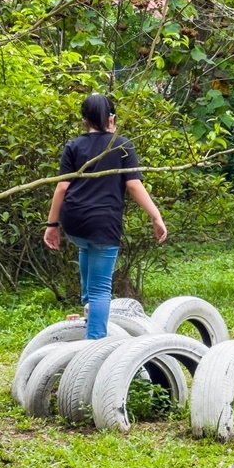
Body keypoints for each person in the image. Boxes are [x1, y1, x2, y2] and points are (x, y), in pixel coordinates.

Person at [44, 94, 167, 339]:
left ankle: (89, 307)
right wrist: (156, 216)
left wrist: (52, 224)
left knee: (86, 248)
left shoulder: (73, 146)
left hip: (74, 222)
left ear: (83, 120)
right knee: (102, 289)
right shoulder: (121, 145)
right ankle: (95, 343)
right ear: (112, 118)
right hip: (103, 223)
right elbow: (134, 186)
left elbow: (61, 187)